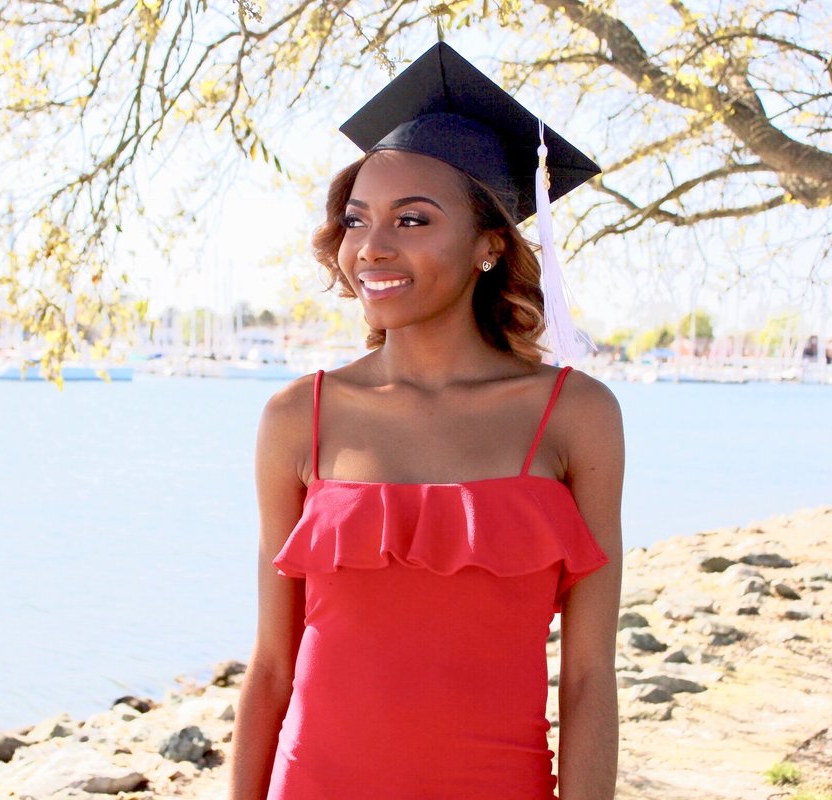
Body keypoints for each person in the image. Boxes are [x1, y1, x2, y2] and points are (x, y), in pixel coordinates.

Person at [228, 42, 624, 800]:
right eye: (356, 220)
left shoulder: (575, 415)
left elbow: (586, 677)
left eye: (411, 219)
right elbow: (273, 666)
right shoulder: (298, 416)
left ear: (489, 244)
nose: (371, 248)